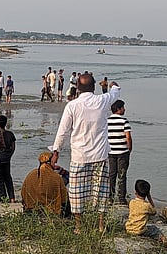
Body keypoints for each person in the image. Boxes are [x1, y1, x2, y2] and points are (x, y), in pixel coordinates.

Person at [50, 72, 121, 234]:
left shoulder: (72, 106)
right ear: (94, 86)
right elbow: (115, 93)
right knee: (101, 191)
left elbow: (63, 131)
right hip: (100, 155)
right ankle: (101, 226)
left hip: (79, 156)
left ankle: (78, 227)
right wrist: (113, 85)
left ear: (78, 88)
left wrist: (56, 151)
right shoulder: (102, 101)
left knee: (76, 192)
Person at [126, 179, 167, 251]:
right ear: (147, 194)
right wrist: (150, 198)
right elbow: (154, 212)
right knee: (155, 229)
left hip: (129, 228)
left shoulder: (131, 202)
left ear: (135, 192)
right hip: (139, 230)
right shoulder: (147, 205)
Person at [21, 151, 68, 215]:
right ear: (50, 162)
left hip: (30, 209)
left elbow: (23, 193)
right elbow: (64, 198)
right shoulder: (56, 177)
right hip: (50, 211)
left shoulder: (31, 174)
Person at [107, 100, 132, 205]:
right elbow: (128, 137)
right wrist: (129, 148)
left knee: (112, 174)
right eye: (123, 107)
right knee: (122, 175)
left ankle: (110, 197)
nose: (124, 109)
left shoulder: (107, 120)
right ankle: (121, 198)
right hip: (122, 151)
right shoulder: (124, 121)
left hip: (111, 151)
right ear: (119, 109)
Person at [0, 114, 16, 203]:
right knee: (8, 178)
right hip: (7, 159)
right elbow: (13, 147)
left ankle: (2, 197)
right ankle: (12, 198)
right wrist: (9, 155)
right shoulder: (10, 134)